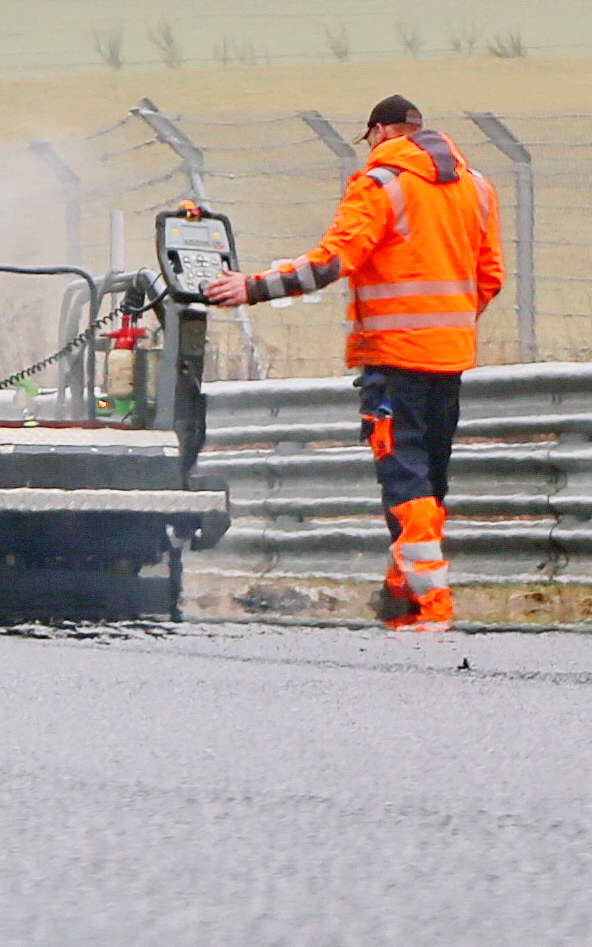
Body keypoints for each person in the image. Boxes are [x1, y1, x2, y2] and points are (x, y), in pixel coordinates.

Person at [201, 94, 506, 631]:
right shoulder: (478, 187)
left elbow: (331, 262)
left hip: (393, 358)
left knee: (403, 476)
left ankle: (431, 603)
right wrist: (445, 320)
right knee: (430, 478)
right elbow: (490, 278)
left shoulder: (381, 183)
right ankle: (399, 593)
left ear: (382, 132)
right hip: (450, 356)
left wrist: (248, 288)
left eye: (368, 140)